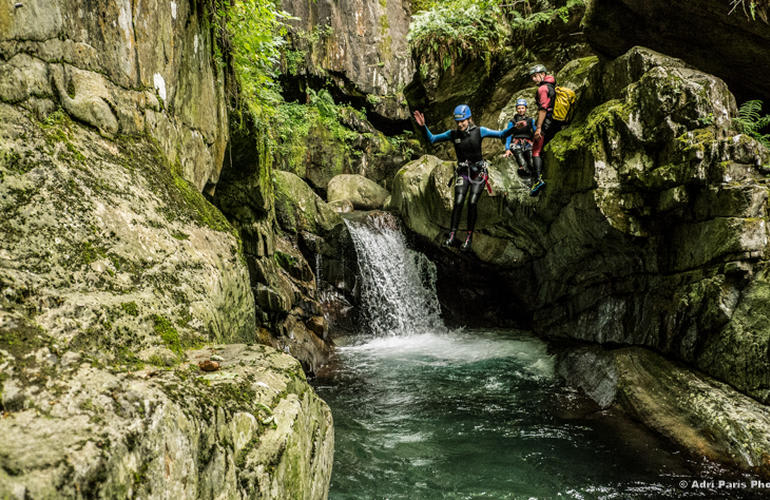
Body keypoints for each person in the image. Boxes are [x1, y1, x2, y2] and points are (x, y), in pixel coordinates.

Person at [413, 105, 514, 251]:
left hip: (479, 172)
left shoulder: (480, 131)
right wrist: (423, 127)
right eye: (458, 122)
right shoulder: (452, 134)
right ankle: (452, 235)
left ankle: (468, 238)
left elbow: (501, 134)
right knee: (459, 202)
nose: (460, 124)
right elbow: (433, 139)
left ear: (469, 119)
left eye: (463, 121)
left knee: (472, 202)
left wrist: (514, 128)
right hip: (463, 172)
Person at [528, 64, 564, 196]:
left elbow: (543, 109)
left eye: (535, 76)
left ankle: (538, 180)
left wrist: (538, 128)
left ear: (542, 74)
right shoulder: (552, 86)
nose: (533, 79)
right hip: (556, 122)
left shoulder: (543, 88)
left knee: (536, 150)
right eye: (532, 77)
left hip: (547, 123)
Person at [503, 98, 537, 182]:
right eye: (519, 108)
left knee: (532, 163)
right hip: (516, 143)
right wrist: (507, 149)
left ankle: (535, 179)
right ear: (516, 109)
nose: (520, 110)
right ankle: (526, 176)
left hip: (528, 143)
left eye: (522, 108)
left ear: (525, 108)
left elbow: (536, 132)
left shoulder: (530, 120)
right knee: (523, 163)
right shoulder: (512, 121)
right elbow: (509, 135)